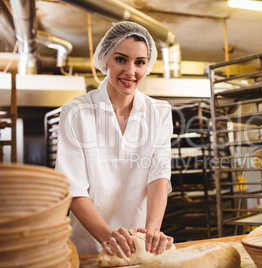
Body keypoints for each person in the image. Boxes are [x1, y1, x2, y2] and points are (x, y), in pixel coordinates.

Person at [55, 21, 174, 257]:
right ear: (105, 59)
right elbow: (74, 189)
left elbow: (159, 176)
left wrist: (152, 231)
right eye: (121, 59)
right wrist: (107, 236)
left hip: (138, 246)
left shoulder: (159, 112)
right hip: (88, 245)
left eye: (139, 62)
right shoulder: (76, 112)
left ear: (147, 66)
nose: (131, 71)